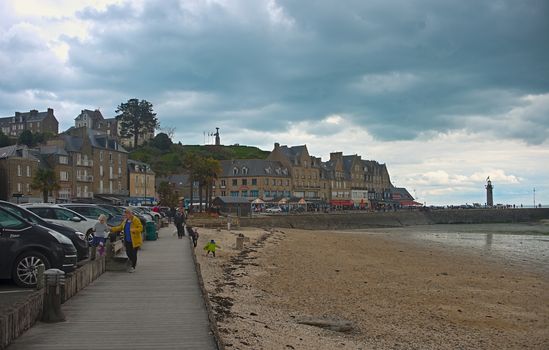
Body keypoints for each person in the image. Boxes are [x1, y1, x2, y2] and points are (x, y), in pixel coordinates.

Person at [110, 208, 143, 273]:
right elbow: (120, 227)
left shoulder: (135, 220)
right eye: (125, 214)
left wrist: (134, 230)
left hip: (135, 241)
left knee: (133, 254)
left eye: (126, 214)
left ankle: (133, 266)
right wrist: (111, 229)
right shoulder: (125, 221)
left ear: (130, 214)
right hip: (127, 240)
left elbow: (140, 228)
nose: (125, 215)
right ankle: (132, 262)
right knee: (128, 253)